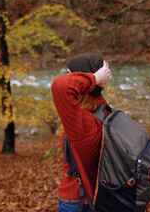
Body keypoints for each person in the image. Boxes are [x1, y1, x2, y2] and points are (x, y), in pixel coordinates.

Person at [51, 53, 112, 212]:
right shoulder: (103, 110)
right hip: (93, 201)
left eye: (70, 73)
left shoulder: (83, 124)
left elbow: (60, 86)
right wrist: (98, 81)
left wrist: (95, 78)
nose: (70, 77)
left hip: (77, 203)